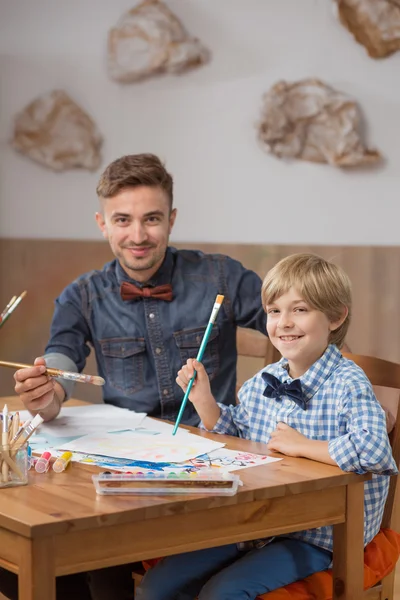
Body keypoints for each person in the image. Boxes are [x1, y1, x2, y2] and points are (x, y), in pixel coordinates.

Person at [3, 154, 266, 600]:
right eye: (122, 220)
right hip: (123, 471)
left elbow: (297, 326)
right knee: (50, 552)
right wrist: (46, 396)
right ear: (102, 223)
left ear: (172, 219)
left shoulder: (222, 276)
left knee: (89, 551)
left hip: (213, 472)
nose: (138, 235)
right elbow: (61, 360)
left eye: (152, 219)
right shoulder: (82, 295)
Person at [136, 253, 398, 600]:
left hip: (321, 534)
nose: (284, 322)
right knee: (157, 586)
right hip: (258, 521)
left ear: (336, 317)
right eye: (274, 311)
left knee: (222, 593)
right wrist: (205, 402)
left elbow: (374, 450)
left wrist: (301, 445)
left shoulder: (349, 382)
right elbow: (239, 433)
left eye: (300, 309)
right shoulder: (265, 380)